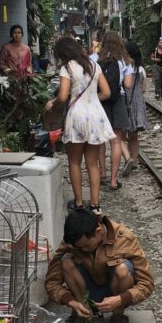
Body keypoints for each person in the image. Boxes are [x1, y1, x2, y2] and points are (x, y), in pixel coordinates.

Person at [46, 208, 154, 323]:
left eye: (86, 245)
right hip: (86, 291)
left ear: (98, 231)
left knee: (122, 269)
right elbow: (52, 283)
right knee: (66, 261)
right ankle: (83, 312)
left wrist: (120, 300)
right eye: (79, 247)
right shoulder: (72, 242)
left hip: (115, 290)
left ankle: (118, 316)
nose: (83, 249)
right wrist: (71, 302)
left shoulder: (124, 238)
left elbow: (147, 284)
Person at [45, 37, 114, 215]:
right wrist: (90, 101)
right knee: (92, 163)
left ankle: (79, 203)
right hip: (96, 117)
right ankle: (95, 205)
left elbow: (62, 96)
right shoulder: (93, 65)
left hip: (76, 117)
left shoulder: (66, 68)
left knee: (74, 162)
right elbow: (106, 93)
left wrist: (52, 104)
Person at [97, 30, 133, 191]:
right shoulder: (125, 61)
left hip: (100, 100)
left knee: (100, 141)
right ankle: (113, 180)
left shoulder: (95, 59)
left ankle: (102, 174)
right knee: (116, 141)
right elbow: (128, 85)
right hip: (118, 100)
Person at [123, 40, 148, 177]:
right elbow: (144, 89)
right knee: (134, 136)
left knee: (121, 135)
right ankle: (133, 162)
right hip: (137, 104)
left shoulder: (124, 68)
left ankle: (128, 158)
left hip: (124, 103)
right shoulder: (141, 69)